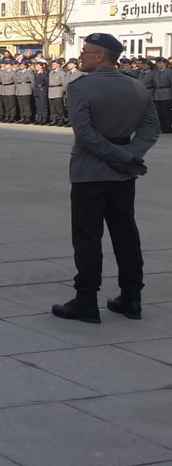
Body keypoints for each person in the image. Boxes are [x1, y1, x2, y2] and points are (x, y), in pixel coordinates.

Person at [52, 33, 160, 324]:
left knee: (88, 237)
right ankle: (132, 298)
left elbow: (85, 135)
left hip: (90, 172)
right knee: (126, 235)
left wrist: (114, 155)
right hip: (124, 175)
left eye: (85, 51)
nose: (80, 56)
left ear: (100, 56)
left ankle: (86, 301)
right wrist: (128, 155)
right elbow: (151, 130)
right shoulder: (137, 87)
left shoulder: (81, 88)